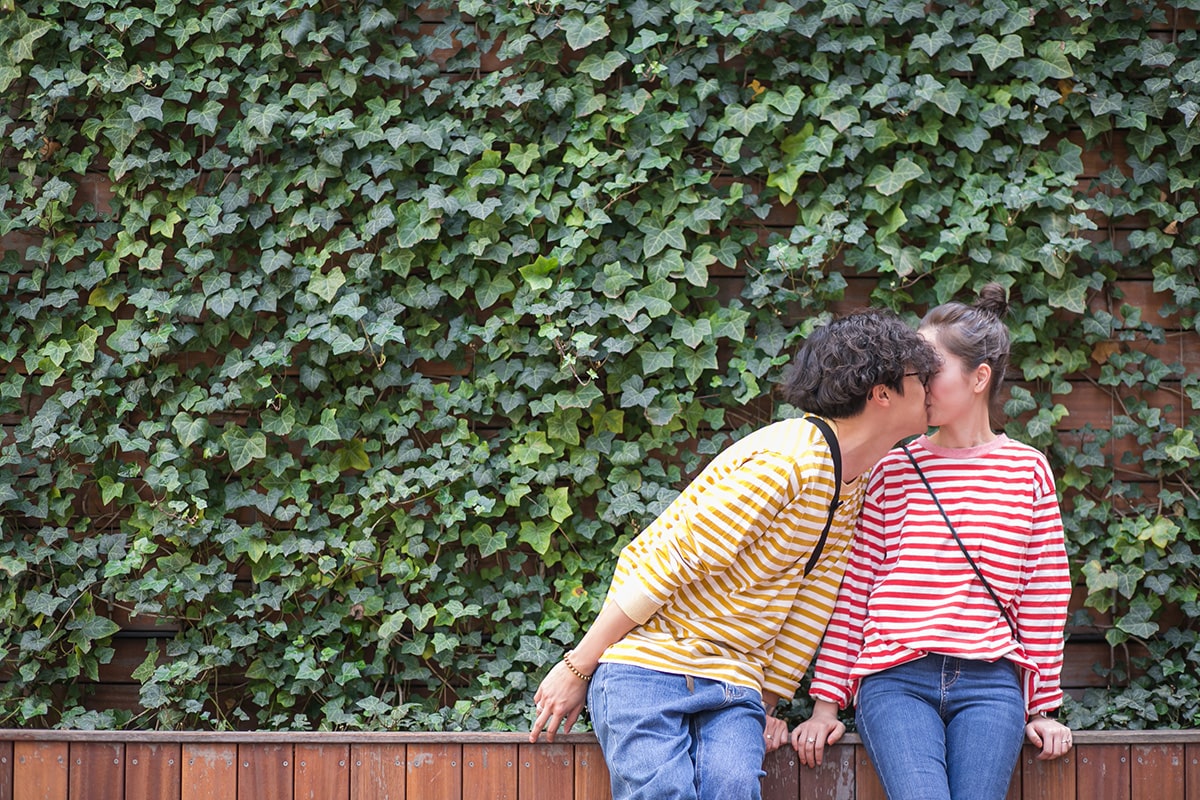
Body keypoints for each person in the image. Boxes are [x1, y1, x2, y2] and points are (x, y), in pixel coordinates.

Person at [527, 309, 941, 800]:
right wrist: (578, 667)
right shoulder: (785, 463)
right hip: (650, 667)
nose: (934, 386)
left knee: (733, 788)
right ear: (882, 393)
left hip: (734, 684)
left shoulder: (852, 478)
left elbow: (812, 599)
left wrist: (767, 699)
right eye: (922, 377)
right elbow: (671, 562)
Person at [790, 284, 1074, 800]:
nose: (917, 383)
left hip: (991, 685)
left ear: (979, 377)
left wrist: (1044, 708)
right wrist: (825, 704)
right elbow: (854, 588)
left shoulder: (1027, 469)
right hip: (894, 679)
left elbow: (1044, 593)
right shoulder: (893, 468)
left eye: (931, 369)